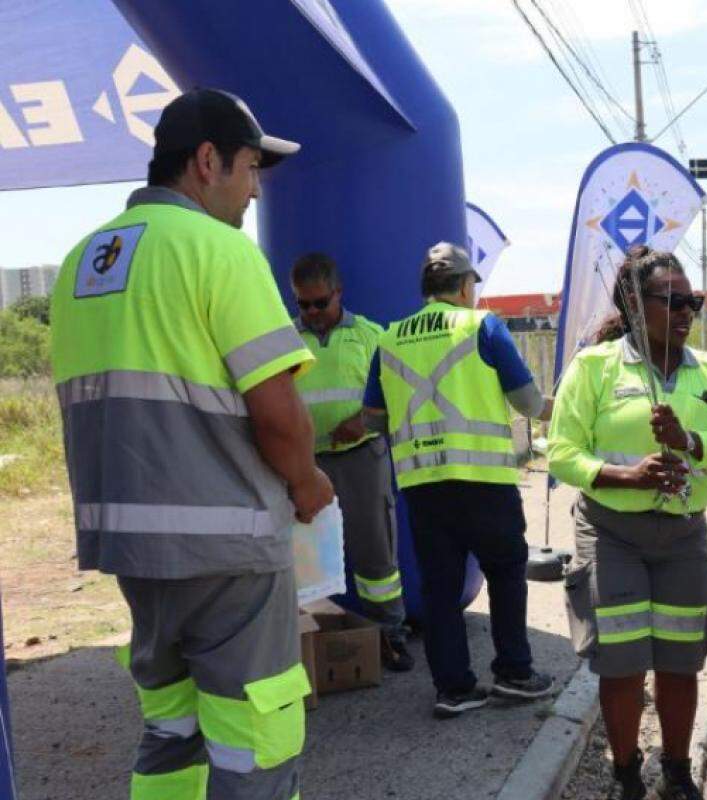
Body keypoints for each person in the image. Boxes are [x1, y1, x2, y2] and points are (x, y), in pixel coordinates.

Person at [50, 88, 331, 800]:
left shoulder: (82, 263)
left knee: (173, 736)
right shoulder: (218, 250)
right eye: (248, 168)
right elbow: (278, 413)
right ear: (207, 162)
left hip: (130, 549)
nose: (255, 189)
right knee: (255, 744)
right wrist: (308, 485)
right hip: (228, 547)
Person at [548, 246, 707, 800]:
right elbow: (561, 451)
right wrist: (623, 476)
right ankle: (626, 772)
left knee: (680, 660)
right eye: (673, 301)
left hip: (683, 533)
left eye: (694, 302)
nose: (688, 312)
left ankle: (678, 774)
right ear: (635, 306)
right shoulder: (594, 368)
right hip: (612, 532)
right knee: (622, 663)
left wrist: (689, 442)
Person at [362, 242, 556, 718]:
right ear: (467, 286)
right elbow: (529, 404)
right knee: (507, 573)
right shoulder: (481, 325)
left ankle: (453, 689)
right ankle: (514, 673)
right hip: (484, 480)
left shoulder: (388, 341)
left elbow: (371, 418)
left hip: (423, 487)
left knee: (440, 588)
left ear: (426, 289)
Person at [290, 252, 413, 672]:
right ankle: (305, 643)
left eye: (319, 302)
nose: (311, 313)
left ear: (338, 293)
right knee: (301, 553)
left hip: (361, 458)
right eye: (302, 304)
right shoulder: (284, 341)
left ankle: (390, 634)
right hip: (304, 464)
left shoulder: (370, 336)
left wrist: (364, 421)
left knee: (375, 552)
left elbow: (399, 395)